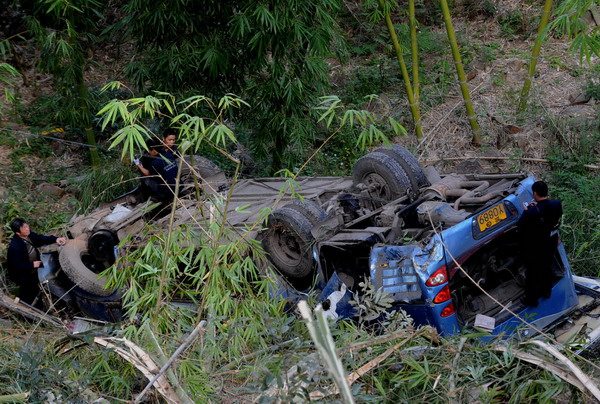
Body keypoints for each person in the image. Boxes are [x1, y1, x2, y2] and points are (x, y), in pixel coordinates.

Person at [517, 181, 563, 307]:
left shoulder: (531, 212)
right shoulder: (556, 204)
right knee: (547, 267)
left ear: (535, 193)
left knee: (533, 273)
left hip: (537, 246)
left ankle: (531, 300)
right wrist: (536, 207)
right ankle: (546, 292)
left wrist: (527, 210)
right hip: (551, 242)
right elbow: (549, 215)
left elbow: (521, 226)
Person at [6, 218, 67, 306]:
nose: (27, 228)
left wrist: (56, 239)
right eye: (24, 228)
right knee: (27, 292)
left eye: (26, 225)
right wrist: (31, 265)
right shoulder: (15, 246)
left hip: (33, 269)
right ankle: (26, 312)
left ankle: (38, 305)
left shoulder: (29, 235)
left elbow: (40, 239)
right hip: (23, 274)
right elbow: (15, 264)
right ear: (18, 233)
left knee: (35, 289)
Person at [135, 131, 179, 202]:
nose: (148, 152)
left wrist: (138, 164)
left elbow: (148, 174)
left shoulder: (155, 163)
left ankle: (151, 198)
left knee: (145, 179)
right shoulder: (170, 155)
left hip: (167, 192)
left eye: (149, 150)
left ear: (154, 151)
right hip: (178, 185)